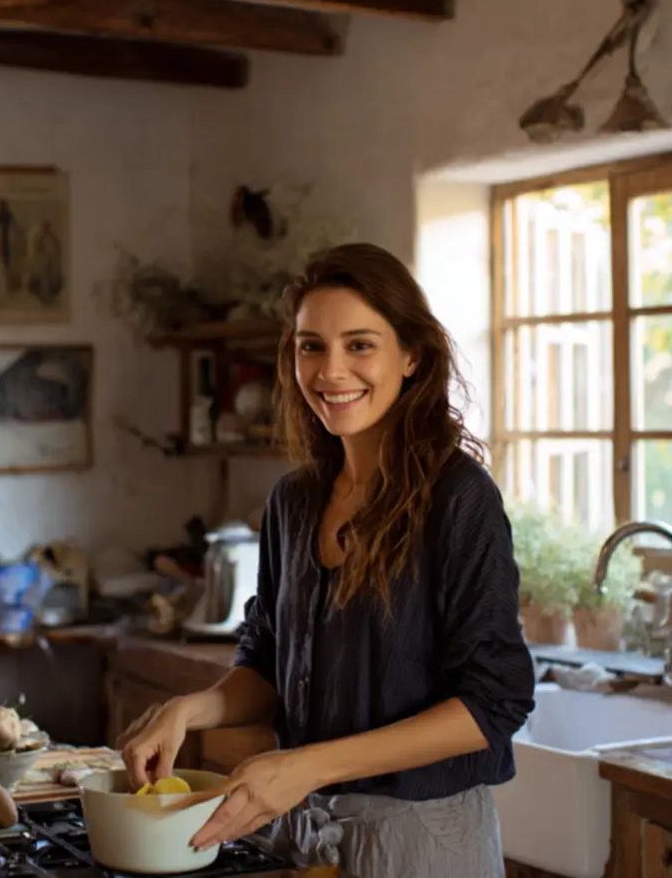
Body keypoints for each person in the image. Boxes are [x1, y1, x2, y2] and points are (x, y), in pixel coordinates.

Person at [116, 243, 536, 877]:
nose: (331, 371)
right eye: (311, 346)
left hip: (424, 840)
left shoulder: (459, 499)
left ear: (412, 356)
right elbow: (266, 661)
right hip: (301, 834)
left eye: (360, 345)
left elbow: (495, 702)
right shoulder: (294, 500)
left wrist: (306, 765)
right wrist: (190, 710)